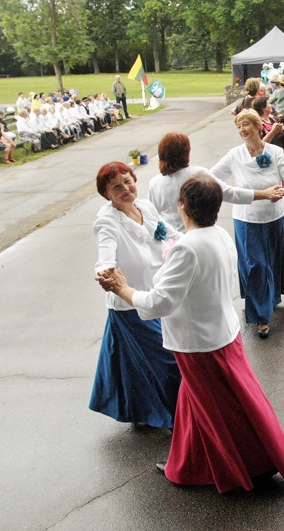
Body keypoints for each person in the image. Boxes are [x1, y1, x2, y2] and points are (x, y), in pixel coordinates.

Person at [97, 174, 284, 493]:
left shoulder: (187, 248)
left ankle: (246, 466)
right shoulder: (219, 234)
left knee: (219, 412)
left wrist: (123, 289)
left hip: (199, 342)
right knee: (199, 406)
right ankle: (185, 464)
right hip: (223, 331)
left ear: (183, 206)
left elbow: (159, 302)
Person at [91, 161, 182, 429]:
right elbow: (105, 258)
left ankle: (138, 410)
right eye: (116, 187)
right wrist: (104, 272)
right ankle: (181, 420)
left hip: (158, 296)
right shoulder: (106, 223)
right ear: (106, 194)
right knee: (170, 361)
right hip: (131, 305)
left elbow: (173, 235)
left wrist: (198, 243)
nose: (125, 189)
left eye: (128, 181)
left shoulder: (146, 207)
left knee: (130, 362)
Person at [222, 110, 284, 338]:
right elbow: (211, 178)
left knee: (273, 263)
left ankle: (270, 299)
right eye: (239, 127)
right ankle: (261, 318)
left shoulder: (275, 151)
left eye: (245, 124)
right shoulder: (234, 155)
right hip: (247, 220)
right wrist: (249, 194)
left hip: (275, 217)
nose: (242, 130)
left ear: (259, 126)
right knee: (257, 267)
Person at [150, 132, 281, 233]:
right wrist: (264, 194)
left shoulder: (154, 183)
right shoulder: (197, 174)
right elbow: (229, 193)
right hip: (199, 237)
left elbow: (153, 215)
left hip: (170, 241)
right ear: (186, 153)